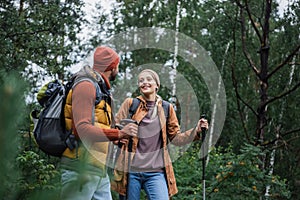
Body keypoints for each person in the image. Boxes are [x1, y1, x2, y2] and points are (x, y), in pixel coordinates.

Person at [111, 69, 209, 200]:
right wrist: (119, 137)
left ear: (157, 85)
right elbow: (114, 130)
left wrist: (196, 131)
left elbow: (176, 138)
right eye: (141, 80)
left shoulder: (166, 108)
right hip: (131, 170)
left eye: (148, 79)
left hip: (156, 172)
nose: (144, 82)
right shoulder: (131, 104)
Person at [60, 46, 138, 200]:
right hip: (80, 169)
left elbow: (98, 125)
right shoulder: (86, 85)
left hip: (98, 170)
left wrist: (116, 137)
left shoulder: (101, 89)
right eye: (117, 65)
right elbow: (81, 129)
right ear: (112, 66)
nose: (118, 69)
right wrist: (119, 133)